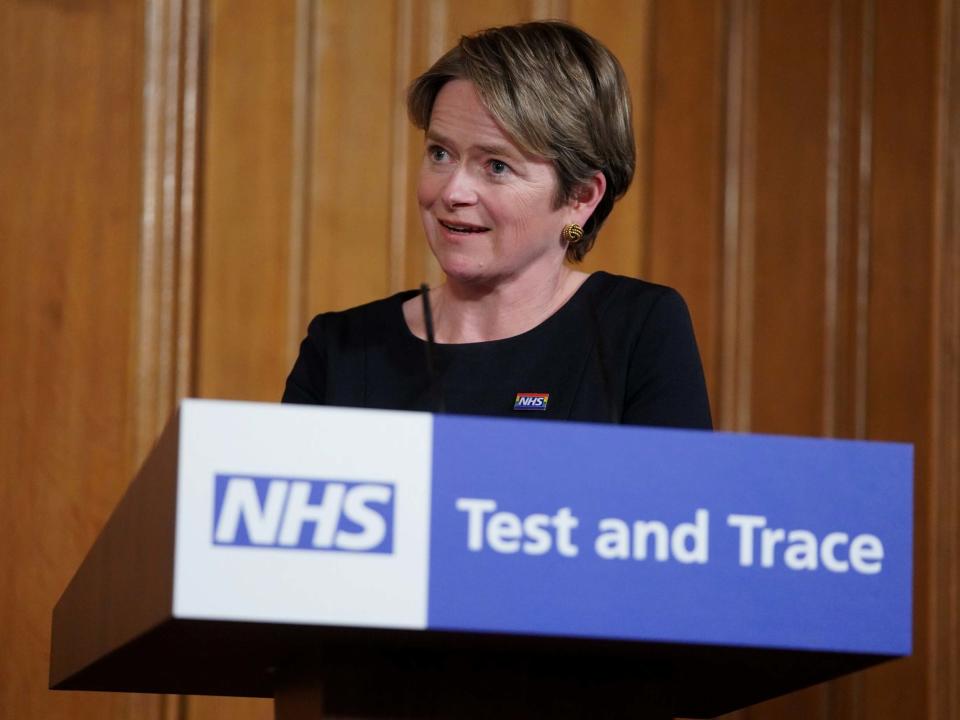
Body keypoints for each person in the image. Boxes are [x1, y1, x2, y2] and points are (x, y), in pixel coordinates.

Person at [283, 21, 712, 429]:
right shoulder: (340, 349)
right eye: (439, 154)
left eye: (497, 166)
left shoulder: (637, 330)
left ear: (581, 197)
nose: (454, 191)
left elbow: (675, 502)